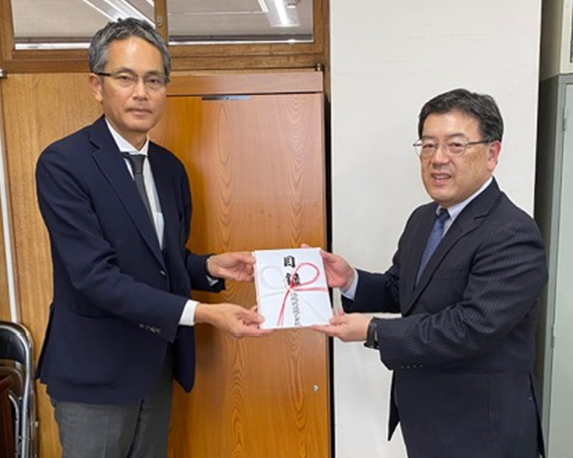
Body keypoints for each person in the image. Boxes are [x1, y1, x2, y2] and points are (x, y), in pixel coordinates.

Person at [35, 17, 269, 458]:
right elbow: (94, 277)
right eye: (125, 78)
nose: (141, 93)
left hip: (156, 367)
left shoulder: (169, 168)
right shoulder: (63, 164)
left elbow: (161, 259)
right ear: (97, 85)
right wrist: (203, 313)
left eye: (154, 80)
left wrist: (209, 267)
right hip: (94, 375)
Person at [314, 89, 547, 458]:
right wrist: (350, 280)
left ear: (492, 154)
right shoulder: (424, 219)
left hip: (484, 431)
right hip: (426, 419)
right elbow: (402, 289)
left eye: (455, 145)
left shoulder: (512, 232)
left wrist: (374, 331)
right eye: (428, 145)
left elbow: (471, 327)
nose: (438, 158)